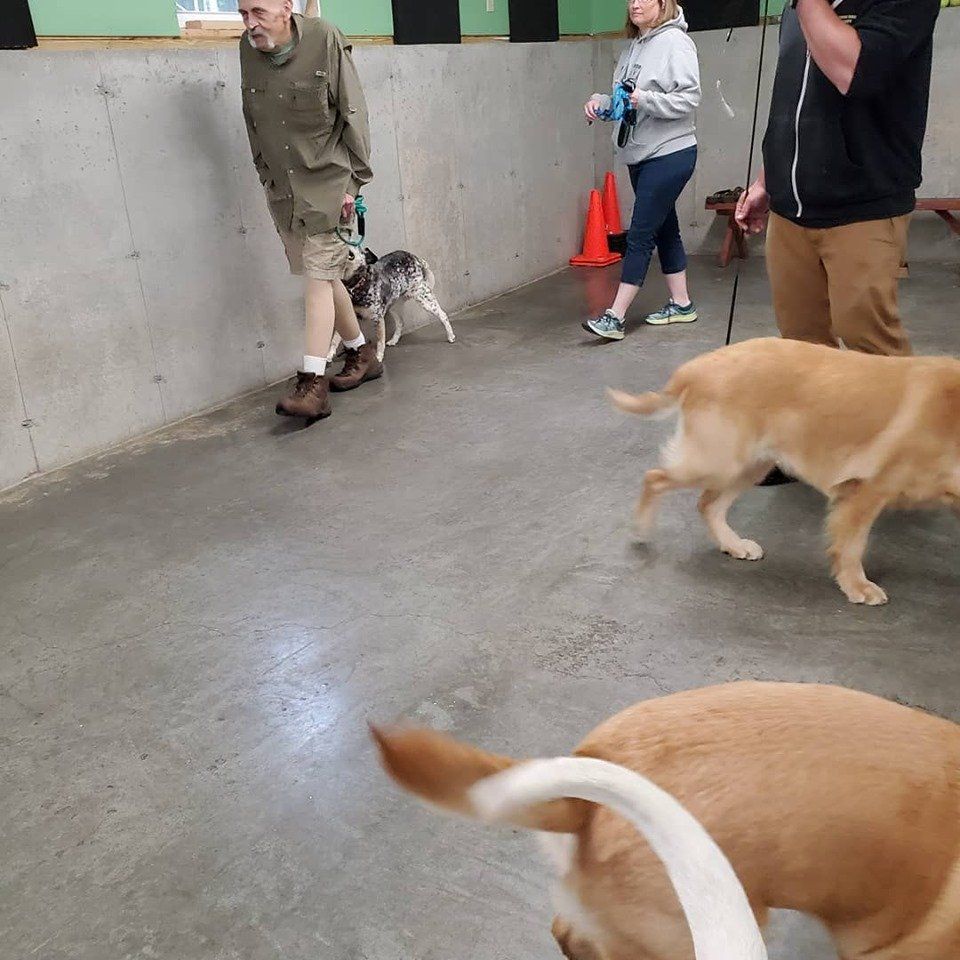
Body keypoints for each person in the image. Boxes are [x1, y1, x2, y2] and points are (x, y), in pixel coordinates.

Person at [736, 0, 941, 359]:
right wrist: (767, 181)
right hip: (789, 215)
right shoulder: (798, 9)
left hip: (862, 209)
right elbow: (790, 100)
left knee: (873, 351)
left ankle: (904, 417)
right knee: (802, 350)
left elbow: (854, 73)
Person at [239, 0, 380, 423]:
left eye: (258, 12)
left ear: (286, 7)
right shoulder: (247, 49)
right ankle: (362, 354)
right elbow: (251, 115)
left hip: (328, 184)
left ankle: (312, 383)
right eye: (242, 13)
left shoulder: (325, 39)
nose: (250, 23)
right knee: (321, 272)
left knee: (318, 277)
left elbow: (353, 111)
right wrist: (264, 172)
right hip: (284, 188)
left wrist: (353, 183)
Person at [582, 0, 702, 342]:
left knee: (640, 234)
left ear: (663, 3)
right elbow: (625, 98)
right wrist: (602, 103)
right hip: (640, 153)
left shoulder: (676, 43)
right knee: (665, 229)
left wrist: (643, 100)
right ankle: (681, 304)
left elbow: (689, 99)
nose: (634, 4)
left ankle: (615, 317)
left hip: (671, 152)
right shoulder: (633, 46)